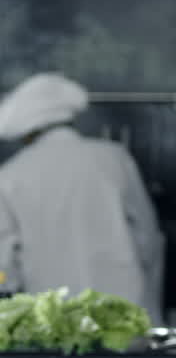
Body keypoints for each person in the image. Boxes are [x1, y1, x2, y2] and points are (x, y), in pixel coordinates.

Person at [0, 73, 164, 322]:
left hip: (56, 317)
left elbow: (5, 266)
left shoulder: (10, 176)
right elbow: (148, 237)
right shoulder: (114, 158)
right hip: (125, 308)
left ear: (26, 132)